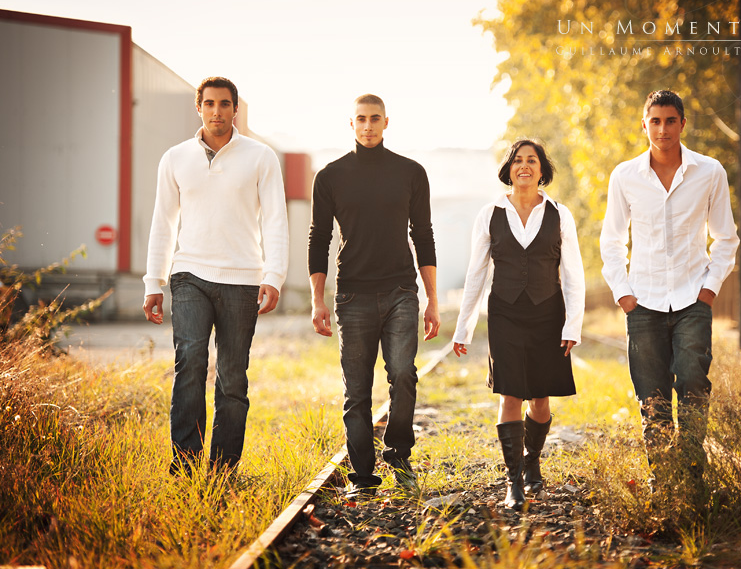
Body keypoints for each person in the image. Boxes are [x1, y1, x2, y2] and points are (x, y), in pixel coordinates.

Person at [142, 77, 289, 475]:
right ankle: (186, 465)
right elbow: (162, 222)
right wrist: (153, 280)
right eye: (209, 104)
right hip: (189, 274)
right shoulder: (175, 158)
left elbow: (276, 219)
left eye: (224, 104)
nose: (216, 112)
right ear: (198, 108)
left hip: (242, 278)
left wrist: (274, 275)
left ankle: (223, 467)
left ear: (235, 109)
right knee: (190, 361)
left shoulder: (261, 157)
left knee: (232, 376)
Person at [599, 89, 739, 490]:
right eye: (655, 121)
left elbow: (725, 238)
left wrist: (709, 289)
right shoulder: (624, 177)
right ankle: (664, 481)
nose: (662, 129)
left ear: (682, 124)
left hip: (693, 297)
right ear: (644, 125)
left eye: (670, 120)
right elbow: (611, 240)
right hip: (642, 302)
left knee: (693, 383)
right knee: (652, 394)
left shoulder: (710, 172)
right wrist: (623, 293)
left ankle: (693, 476)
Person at [307, 94, 440, 500]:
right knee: (357, 390)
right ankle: (362, 477)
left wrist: (433, 299)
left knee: (403, 374)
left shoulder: (411, 172)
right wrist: (318, 298)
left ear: (386, 122)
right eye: (361, 119)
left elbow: (424, 235)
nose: (368, 126)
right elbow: (319, 238)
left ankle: (399, 455)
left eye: (375, 119)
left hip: (402, 290)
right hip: (352, 295)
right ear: (351, 124)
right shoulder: (330, 177)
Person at [452, 139, 585, 510]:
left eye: (532, 160)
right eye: (518, 160)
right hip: (505, 313)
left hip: (548, 313)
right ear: (509, 168)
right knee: (510, 394)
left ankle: (532, 460)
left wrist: (572, 326)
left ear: (543, 170)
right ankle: (514, 483)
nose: (524, 166)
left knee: (540, 400)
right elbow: (476, 273)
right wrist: (463, 328)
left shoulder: (561, 214)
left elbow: (573, 274)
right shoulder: (489, 213)